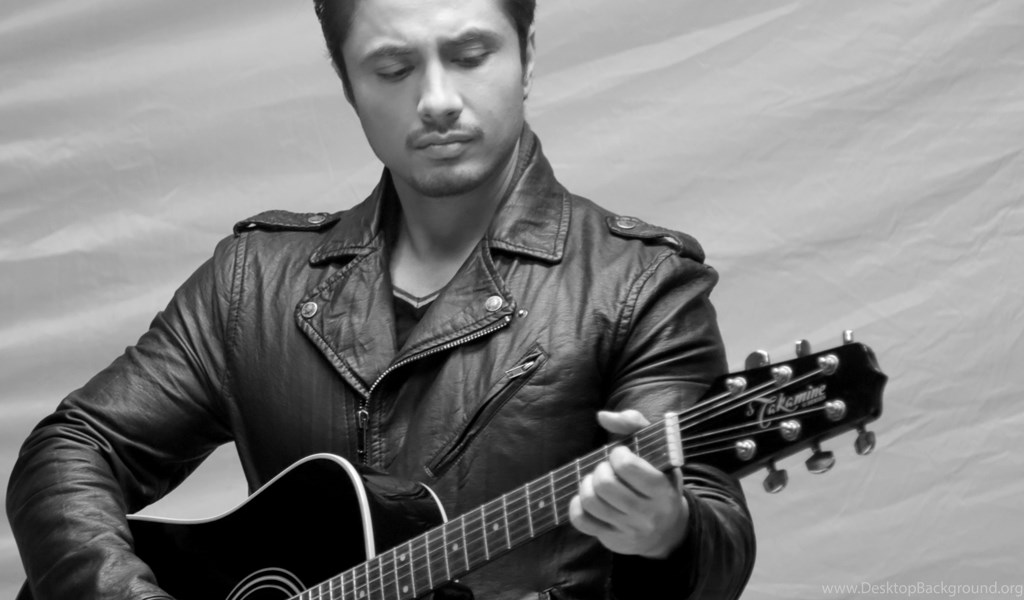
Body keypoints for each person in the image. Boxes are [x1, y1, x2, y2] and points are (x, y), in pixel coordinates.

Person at [7, 0, 756, 598]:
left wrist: (670, 531)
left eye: (470, 56)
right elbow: (72, 448)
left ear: (527, 56)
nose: (437, 101)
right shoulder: (253, 281)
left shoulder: (639, 285)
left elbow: (716, 536)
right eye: (393, 69)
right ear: (348, 86)